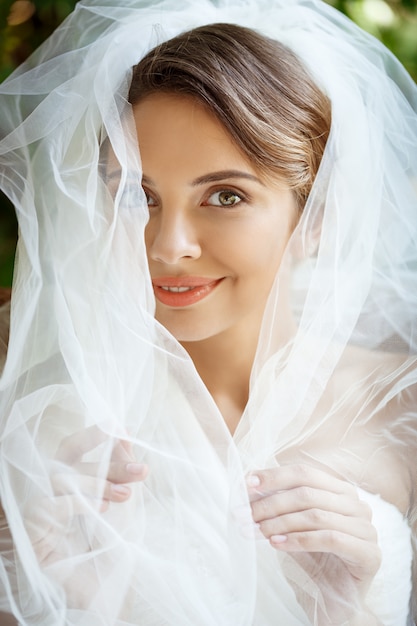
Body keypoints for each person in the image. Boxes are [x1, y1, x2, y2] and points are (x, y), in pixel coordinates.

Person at [0, 0, 416, 624]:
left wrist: (347, 608)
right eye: (137, 195)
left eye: (225, 195)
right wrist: (51, 598)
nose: (169, 246)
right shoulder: (40, 418)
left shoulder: (402, 406)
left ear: (316, 220)